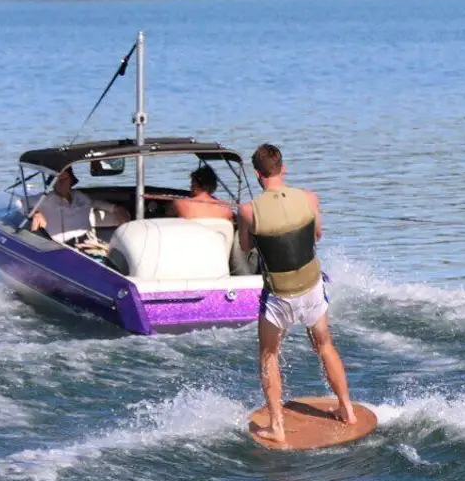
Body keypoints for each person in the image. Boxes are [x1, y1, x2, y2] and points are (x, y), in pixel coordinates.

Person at [237, 143, 357, 442]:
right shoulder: (309, 198)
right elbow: (317, 234)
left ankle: (277, 426)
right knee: (325, 345)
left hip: (280, 295)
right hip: (312, 287)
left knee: (268, 354)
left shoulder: (248, 210)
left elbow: (245, 247)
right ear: (283, 168)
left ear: (257, 174)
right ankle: (347, 410)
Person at [27, 165, 97, 241]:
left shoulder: (78, 195)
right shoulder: (46, 198)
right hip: (59, 245)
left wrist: (110, 207)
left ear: (70, 180)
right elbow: (20, 203)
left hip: (87, 240)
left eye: (65, 179)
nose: (61, 183)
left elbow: (93, 203)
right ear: (53, 182)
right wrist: (36, 213)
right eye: (58, 179)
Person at [148, 164, 235, 221]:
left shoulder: (180, 203)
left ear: (195, 184)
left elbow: (166, 214)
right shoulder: (227, 209)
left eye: (191, 184)